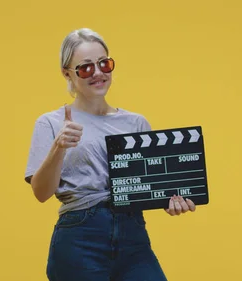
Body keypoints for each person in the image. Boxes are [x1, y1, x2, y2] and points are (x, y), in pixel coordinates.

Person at [24, 27, 197, 281]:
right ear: (67, 73)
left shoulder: (136, 123)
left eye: (104, 64)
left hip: (133, 236)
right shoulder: (51, 123)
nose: (98, 73)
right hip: (79, 237)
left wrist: (171, 202)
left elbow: (148, 187)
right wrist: (59, 147)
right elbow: (41, 193)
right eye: (85, 67)